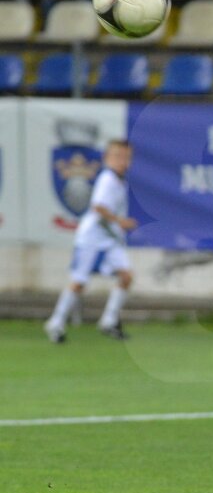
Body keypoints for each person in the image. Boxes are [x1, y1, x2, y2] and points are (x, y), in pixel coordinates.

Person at [44, 140, 138, 344]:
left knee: (126, 276)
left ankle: (109, 321)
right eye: (118, 156)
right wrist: (120, 221)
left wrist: (117, 225)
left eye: (126, 157)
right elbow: (98, 207)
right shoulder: (107, 179)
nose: (123, 161)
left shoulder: (120, 181)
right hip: (91, 238)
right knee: (79, 283)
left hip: (109, 239)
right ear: (107, 158)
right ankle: (56, 322)